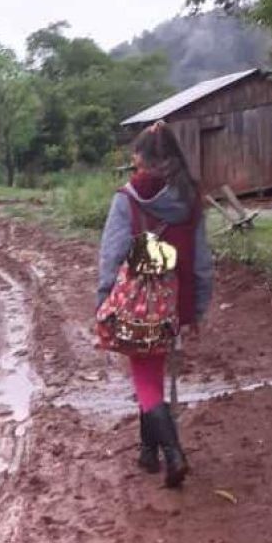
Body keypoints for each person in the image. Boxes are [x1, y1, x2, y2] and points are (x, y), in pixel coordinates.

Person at [96, 121, 213, 488]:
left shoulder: (127, 198)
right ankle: (148, 453)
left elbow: (111, 256)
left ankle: (173, 453)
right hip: (173, 304)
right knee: (154, 370)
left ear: (141, 160)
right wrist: (196, 309)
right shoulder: (190, 200)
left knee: (145, 379)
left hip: (136, 304)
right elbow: (202, 262)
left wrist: (104, 300)